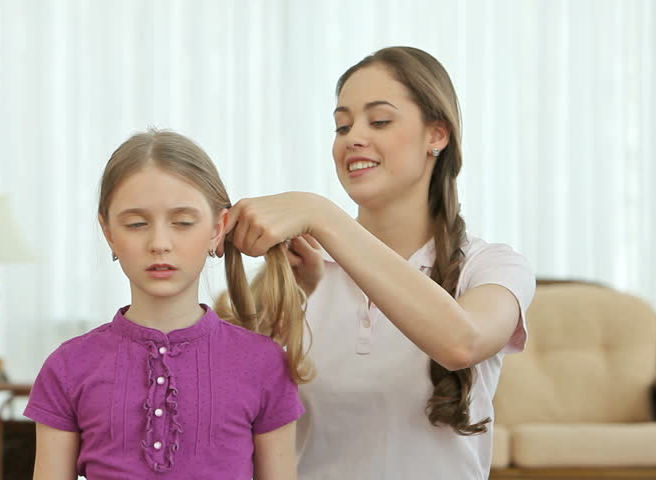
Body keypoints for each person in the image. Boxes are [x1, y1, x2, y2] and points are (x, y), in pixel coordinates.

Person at [219, 46, 536, 479]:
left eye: (380, 120)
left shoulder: (492, 266)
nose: (353, 138)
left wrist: (322, 214)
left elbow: (462, 342)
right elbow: (219, 404)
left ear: (436, 136)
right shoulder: (303, 269)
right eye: (342, 125)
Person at [25, 129, 311, 480]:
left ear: (217, 228)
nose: (159, 243)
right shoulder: (67, 368)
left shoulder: (266, 365)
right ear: (108, 232)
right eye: (136, 224)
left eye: (182, 223)